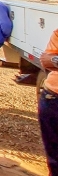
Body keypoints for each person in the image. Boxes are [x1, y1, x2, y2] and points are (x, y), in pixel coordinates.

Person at [39, 27, 58, 176]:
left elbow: (52, 60)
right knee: (54, 159)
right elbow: (46, 60)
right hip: (52, 98)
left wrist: (55, 60)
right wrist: (53, 60)